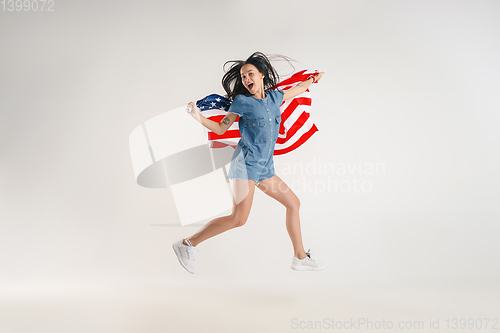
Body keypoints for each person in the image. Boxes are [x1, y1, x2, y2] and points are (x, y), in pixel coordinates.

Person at [172, 52, 325, 274]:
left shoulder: (275, 97)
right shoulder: (241, 102)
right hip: (245, 164)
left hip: (264, 167)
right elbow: (221, 127)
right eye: (243, 77)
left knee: (293, 203)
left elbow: (298, 89)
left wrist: (313, 79)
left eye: (250, 74)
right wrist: (198, 117)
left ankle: (300, 257)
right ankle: (187, 244)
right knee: (239, 218)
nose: (246, 80)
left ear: (261, 75)